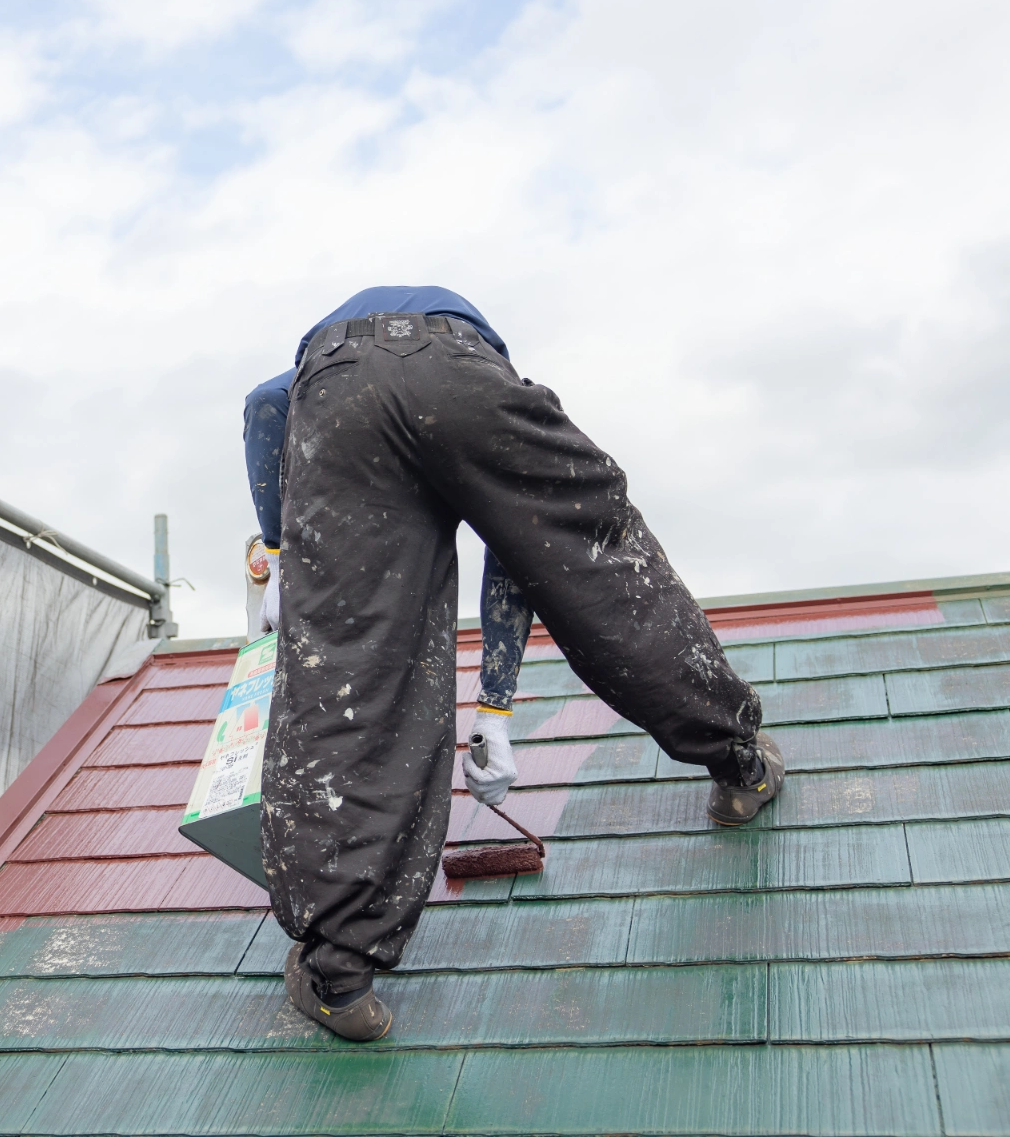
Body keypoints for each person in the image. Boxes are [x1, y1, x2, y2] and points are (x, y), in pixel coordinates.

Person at [242, 285, 782, 1042]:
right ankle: (739, 763)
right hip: (461, 374)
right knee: (599, 569)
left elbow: (268, 407)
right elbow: (525, 554)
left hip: (335, 402)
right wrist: (495, 708)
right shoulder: (471, 363)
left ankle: (339, 976)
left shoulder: (309, 368)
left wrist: (286, 549)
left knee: (352, 664)